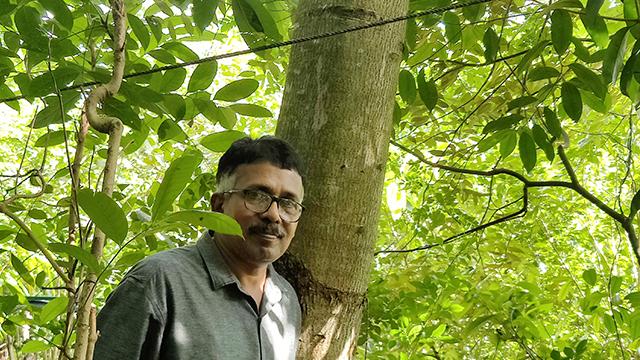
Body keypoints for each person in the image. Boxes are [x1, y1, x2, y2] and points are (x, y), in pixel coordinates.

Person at [94, 136, 305, 360]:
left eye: (288, 203)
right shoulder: (159, 282)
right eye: (256, 196)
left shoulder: (286, 300)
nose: (273, 214)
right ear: (218, 205)